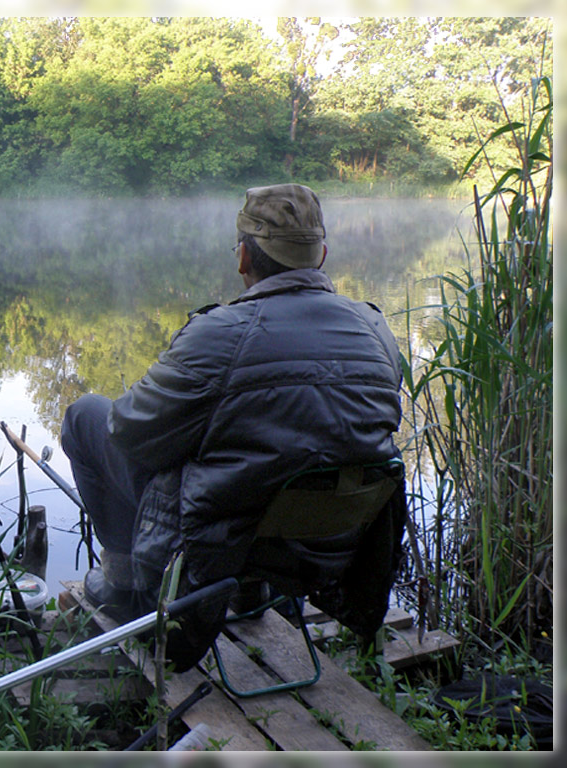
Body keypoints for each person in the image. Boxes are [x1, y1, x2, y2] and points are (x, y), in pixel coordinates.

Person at [61, 183, 406, 669]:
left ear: (244, 257)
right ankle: (254, 591)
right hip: (326, 545)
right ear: (321, 255)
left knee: (87, 416)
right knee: (267, 453)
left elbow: (128, 432)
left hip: (222, 542)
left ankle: (121, 583)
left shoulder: (218, 335)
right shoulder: (377, 330)